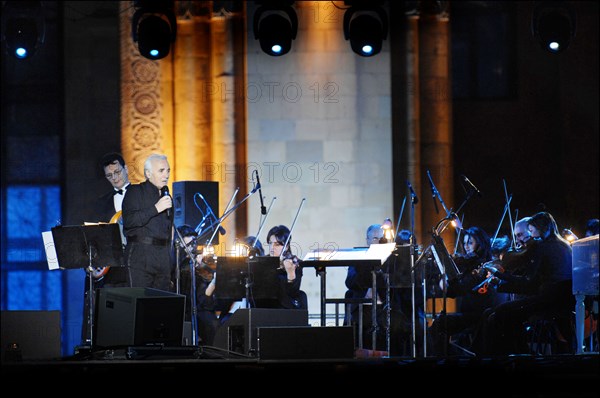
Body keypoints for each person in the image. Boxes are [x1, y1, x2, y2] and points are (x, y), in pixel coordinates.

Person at [481, 211, 574, 356]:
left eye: (531, 231)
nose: (530, 236)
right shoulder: (565, 245)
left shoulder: (543, 247)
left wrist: (498, 274)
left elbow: (529, 282)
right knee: (508, 312)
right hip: (564, 299)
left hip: (547, 300)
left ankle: (518, 354)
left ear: (541, 228)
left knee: (502, 311)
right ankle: (521, 352)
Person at [429, 226, 508, 356]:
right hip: (469, 314)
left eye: (470, 243)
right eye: (464, 243)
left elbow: (458, 289)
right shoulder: (469, 264)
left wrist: (450, 276)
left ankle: (460, 358)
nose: (466, 247)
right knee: (439, 325)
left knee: (439, 325)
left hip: (478, 316)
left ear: (481, 244)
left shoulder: (484, 266)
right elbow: (452, 292)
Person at [80, 152, 130, 345]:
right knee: (109, 319)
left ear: (126, 169)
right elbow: (92, 235)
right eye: (109, 175)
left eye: (117, 172)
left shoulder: (141, 195)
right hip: (110, 269)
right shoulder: (100, 202)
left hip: (133, 265)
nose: (115, 178)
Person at [122, 153, 173, 290]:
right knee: (140, 303)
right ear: (148, 174)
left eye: (168, 170)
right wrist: (156, 208)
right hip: (140, 255)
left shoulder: (167, 197)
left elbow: (168, 231)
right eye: (161, 171)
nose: (166, 175)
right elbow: (129, 221)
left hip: (162, 257)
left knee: (161, 303)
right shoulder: (135, 191)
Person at [176, 225, 218, 346]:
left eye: (194, 244)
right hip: (184, 309)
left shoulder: (199, 264)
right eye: (189, 245)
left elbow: (205, 300)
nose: (193, 248)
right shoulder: (178, 263)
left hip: (200, 308)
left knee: (212, 323)